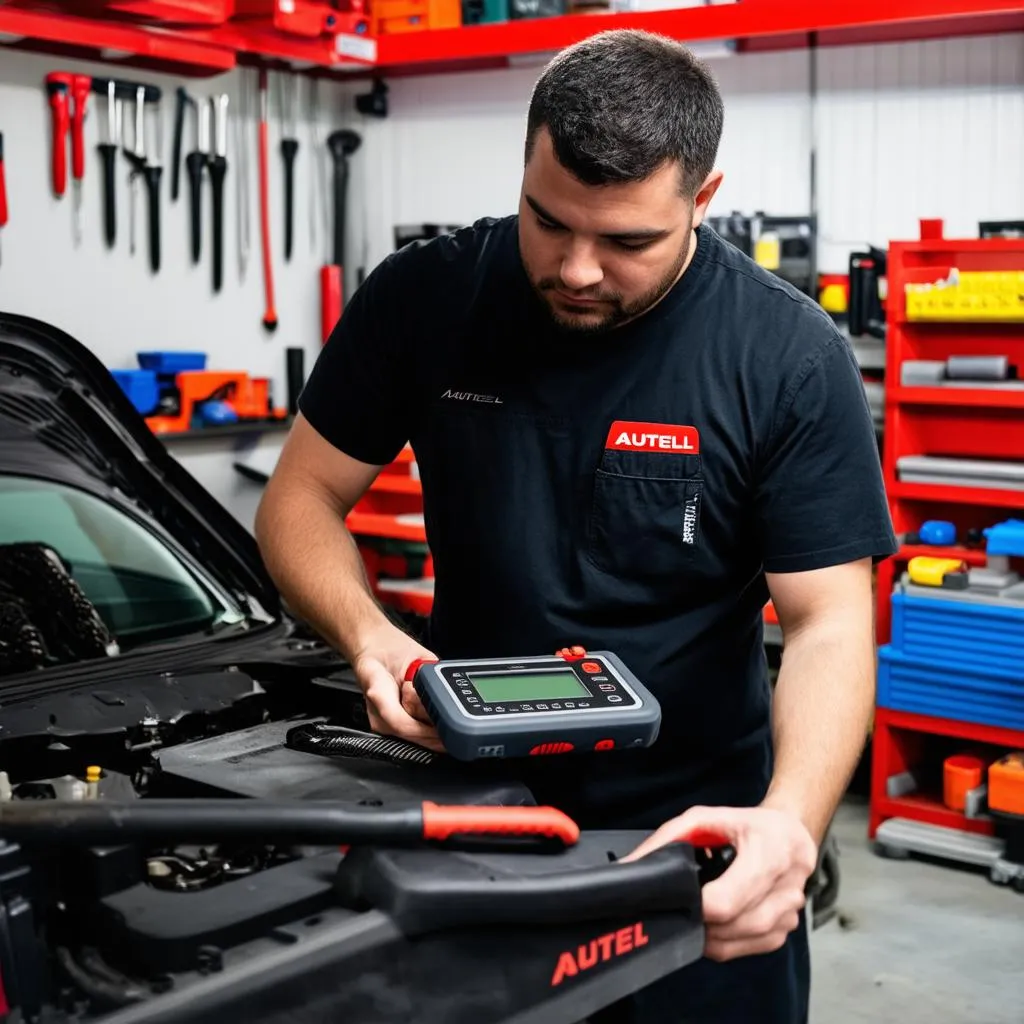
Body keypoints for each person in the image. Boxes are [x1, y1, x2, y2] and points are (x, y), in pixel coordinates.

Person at [255, 28, 897, 1024]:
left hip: (693, 839)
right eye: (548, 222)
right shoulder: (428, 299)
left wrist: (788, 825)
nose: (579, 268)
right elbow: (299, 497)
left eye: (627, 240)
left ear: (703, 198)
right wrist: (370, 637)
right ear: (522, 168)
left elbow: (827, 621)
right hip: (470, 818)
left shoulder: (786, 355)